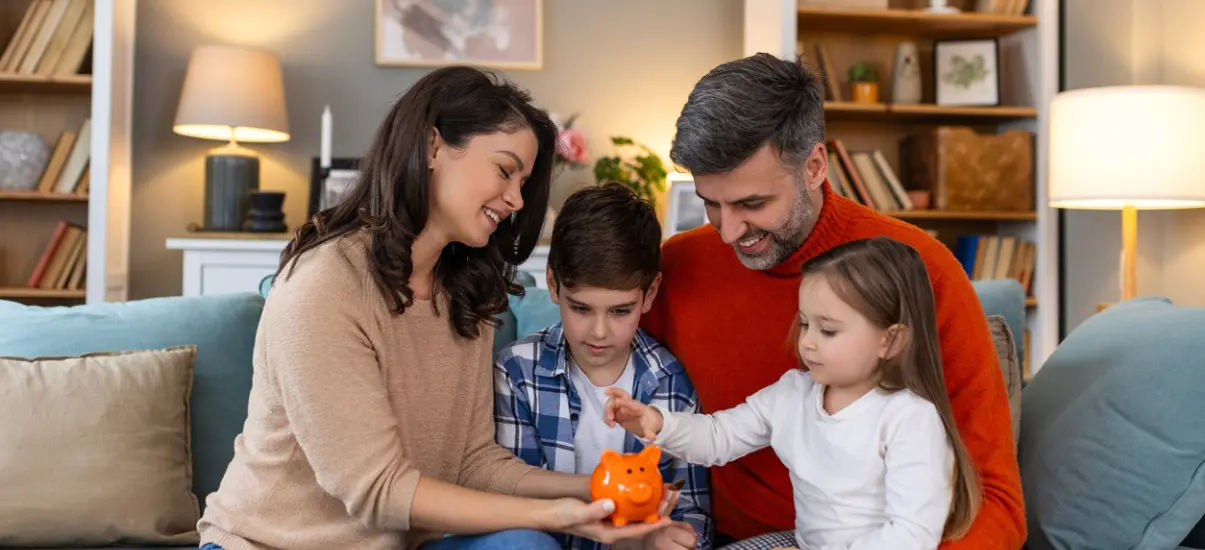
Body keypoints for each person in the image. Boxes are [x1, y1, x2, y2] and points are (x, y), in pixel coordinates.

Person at [195, 66, 670, 550]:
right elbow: (377, 488)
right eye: (505, 171)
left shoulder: (464, 293)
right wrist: (560, 515)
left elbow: (473, 461)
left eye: (523, 182)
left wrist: (601, 490)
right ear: (432, 146)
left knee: (524, 545)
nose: (515, 199)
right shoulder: (323, 286)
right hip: (270, 544)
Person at [640, 53, 1025, 549]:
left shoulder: (920, 271)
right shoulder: (676, 267)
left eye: (752, 204)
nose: (729, 232)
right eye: (711, 203)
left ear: (815, 166)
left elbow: (996, 501)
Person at [608, 237, 981, 550]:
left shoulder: (909, 419)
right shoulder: (793, 394)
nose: (808, 343)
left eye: (828, 330)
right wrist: (655, 422)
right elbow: (719, 437)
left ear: (890, 339)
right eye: (805, 323)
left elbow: (911, 536)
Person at [494, 183, 714, 550]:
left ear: (650, 293)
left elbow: (692, 509)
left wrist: (663, 540)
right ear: (553, 284)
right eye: (581, 308)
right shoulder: (518, 371)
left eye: (620, 311)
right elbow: (510, 496)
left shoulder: (670, 382)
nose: (599, 332)